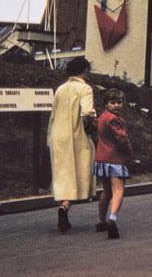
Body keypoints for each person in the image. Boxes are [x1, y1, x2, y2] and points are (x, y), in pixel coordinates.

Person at [47, 56, 96, 233]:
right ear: (84, 70)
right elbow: (87, 113)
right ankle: (66, 206)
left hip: (58, 135)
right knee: (78, 173)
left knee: (63, 174)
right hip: (76, 135)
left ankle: (63, 206)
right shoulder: (85, 89)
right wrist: (92, 131)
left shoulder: (61, 89)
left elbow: (52, 115)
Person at [94, 89, 133, 239]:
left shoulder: (102, 117)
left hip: (101, 158)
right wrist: (129, 152)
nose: (117, 105)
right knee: (118, 190)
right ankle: (112, 219)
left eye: (119, 102)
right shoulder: (114, 120)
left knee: (106, 191)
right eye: (113, 102)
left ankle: (101, 220)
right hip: (115, 158)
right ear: (106, 104)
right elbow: (122, 139)